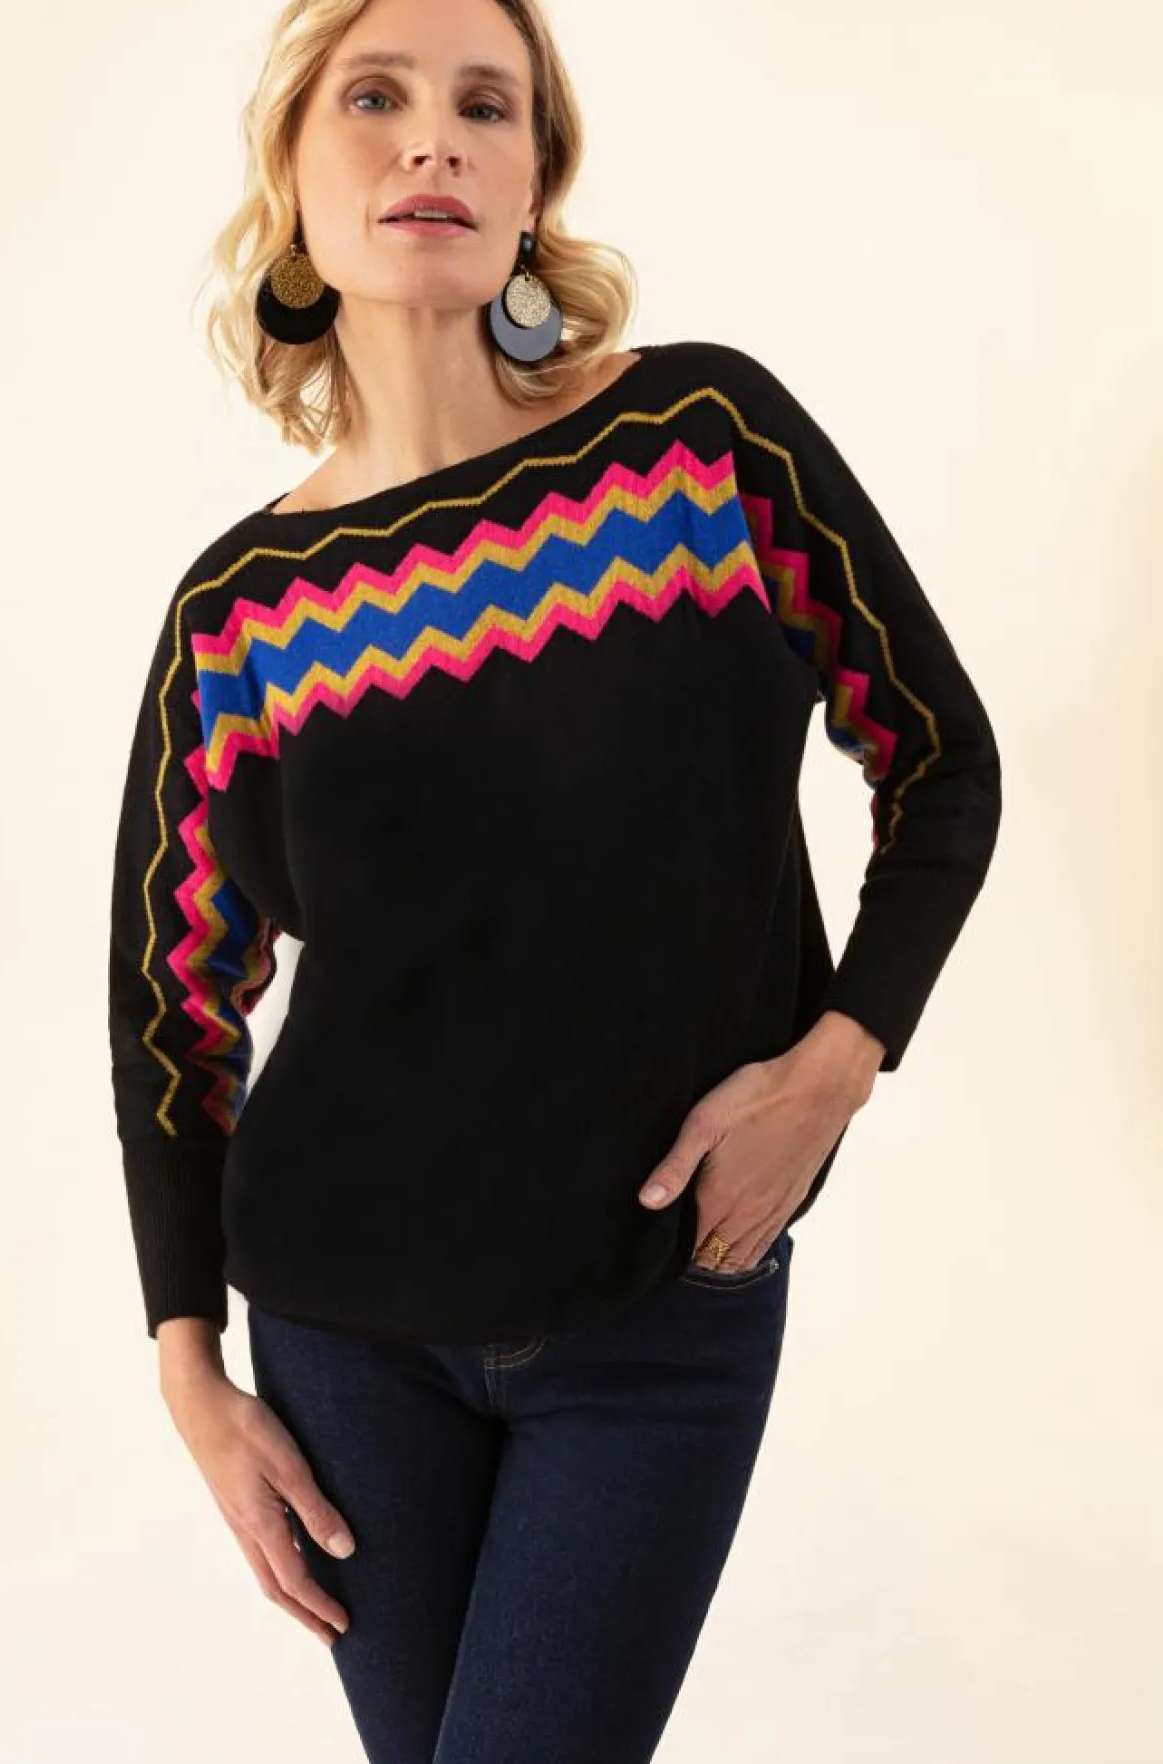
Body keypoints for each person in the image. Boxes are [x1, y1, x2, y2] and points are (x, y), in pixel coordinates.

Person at [106, 0, 1003, 1757]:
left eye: (486, 105)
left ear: (534, 186)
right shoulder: (242, 608)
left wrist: (837, 1065)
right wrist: (188, 1365)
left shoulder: (700, 443)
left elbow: (939, 759)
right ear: (294, 180)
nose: (432, 138)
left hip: (659, 1311)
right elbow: (173, 1006)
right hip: (343, 1344)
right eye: (375, 98)